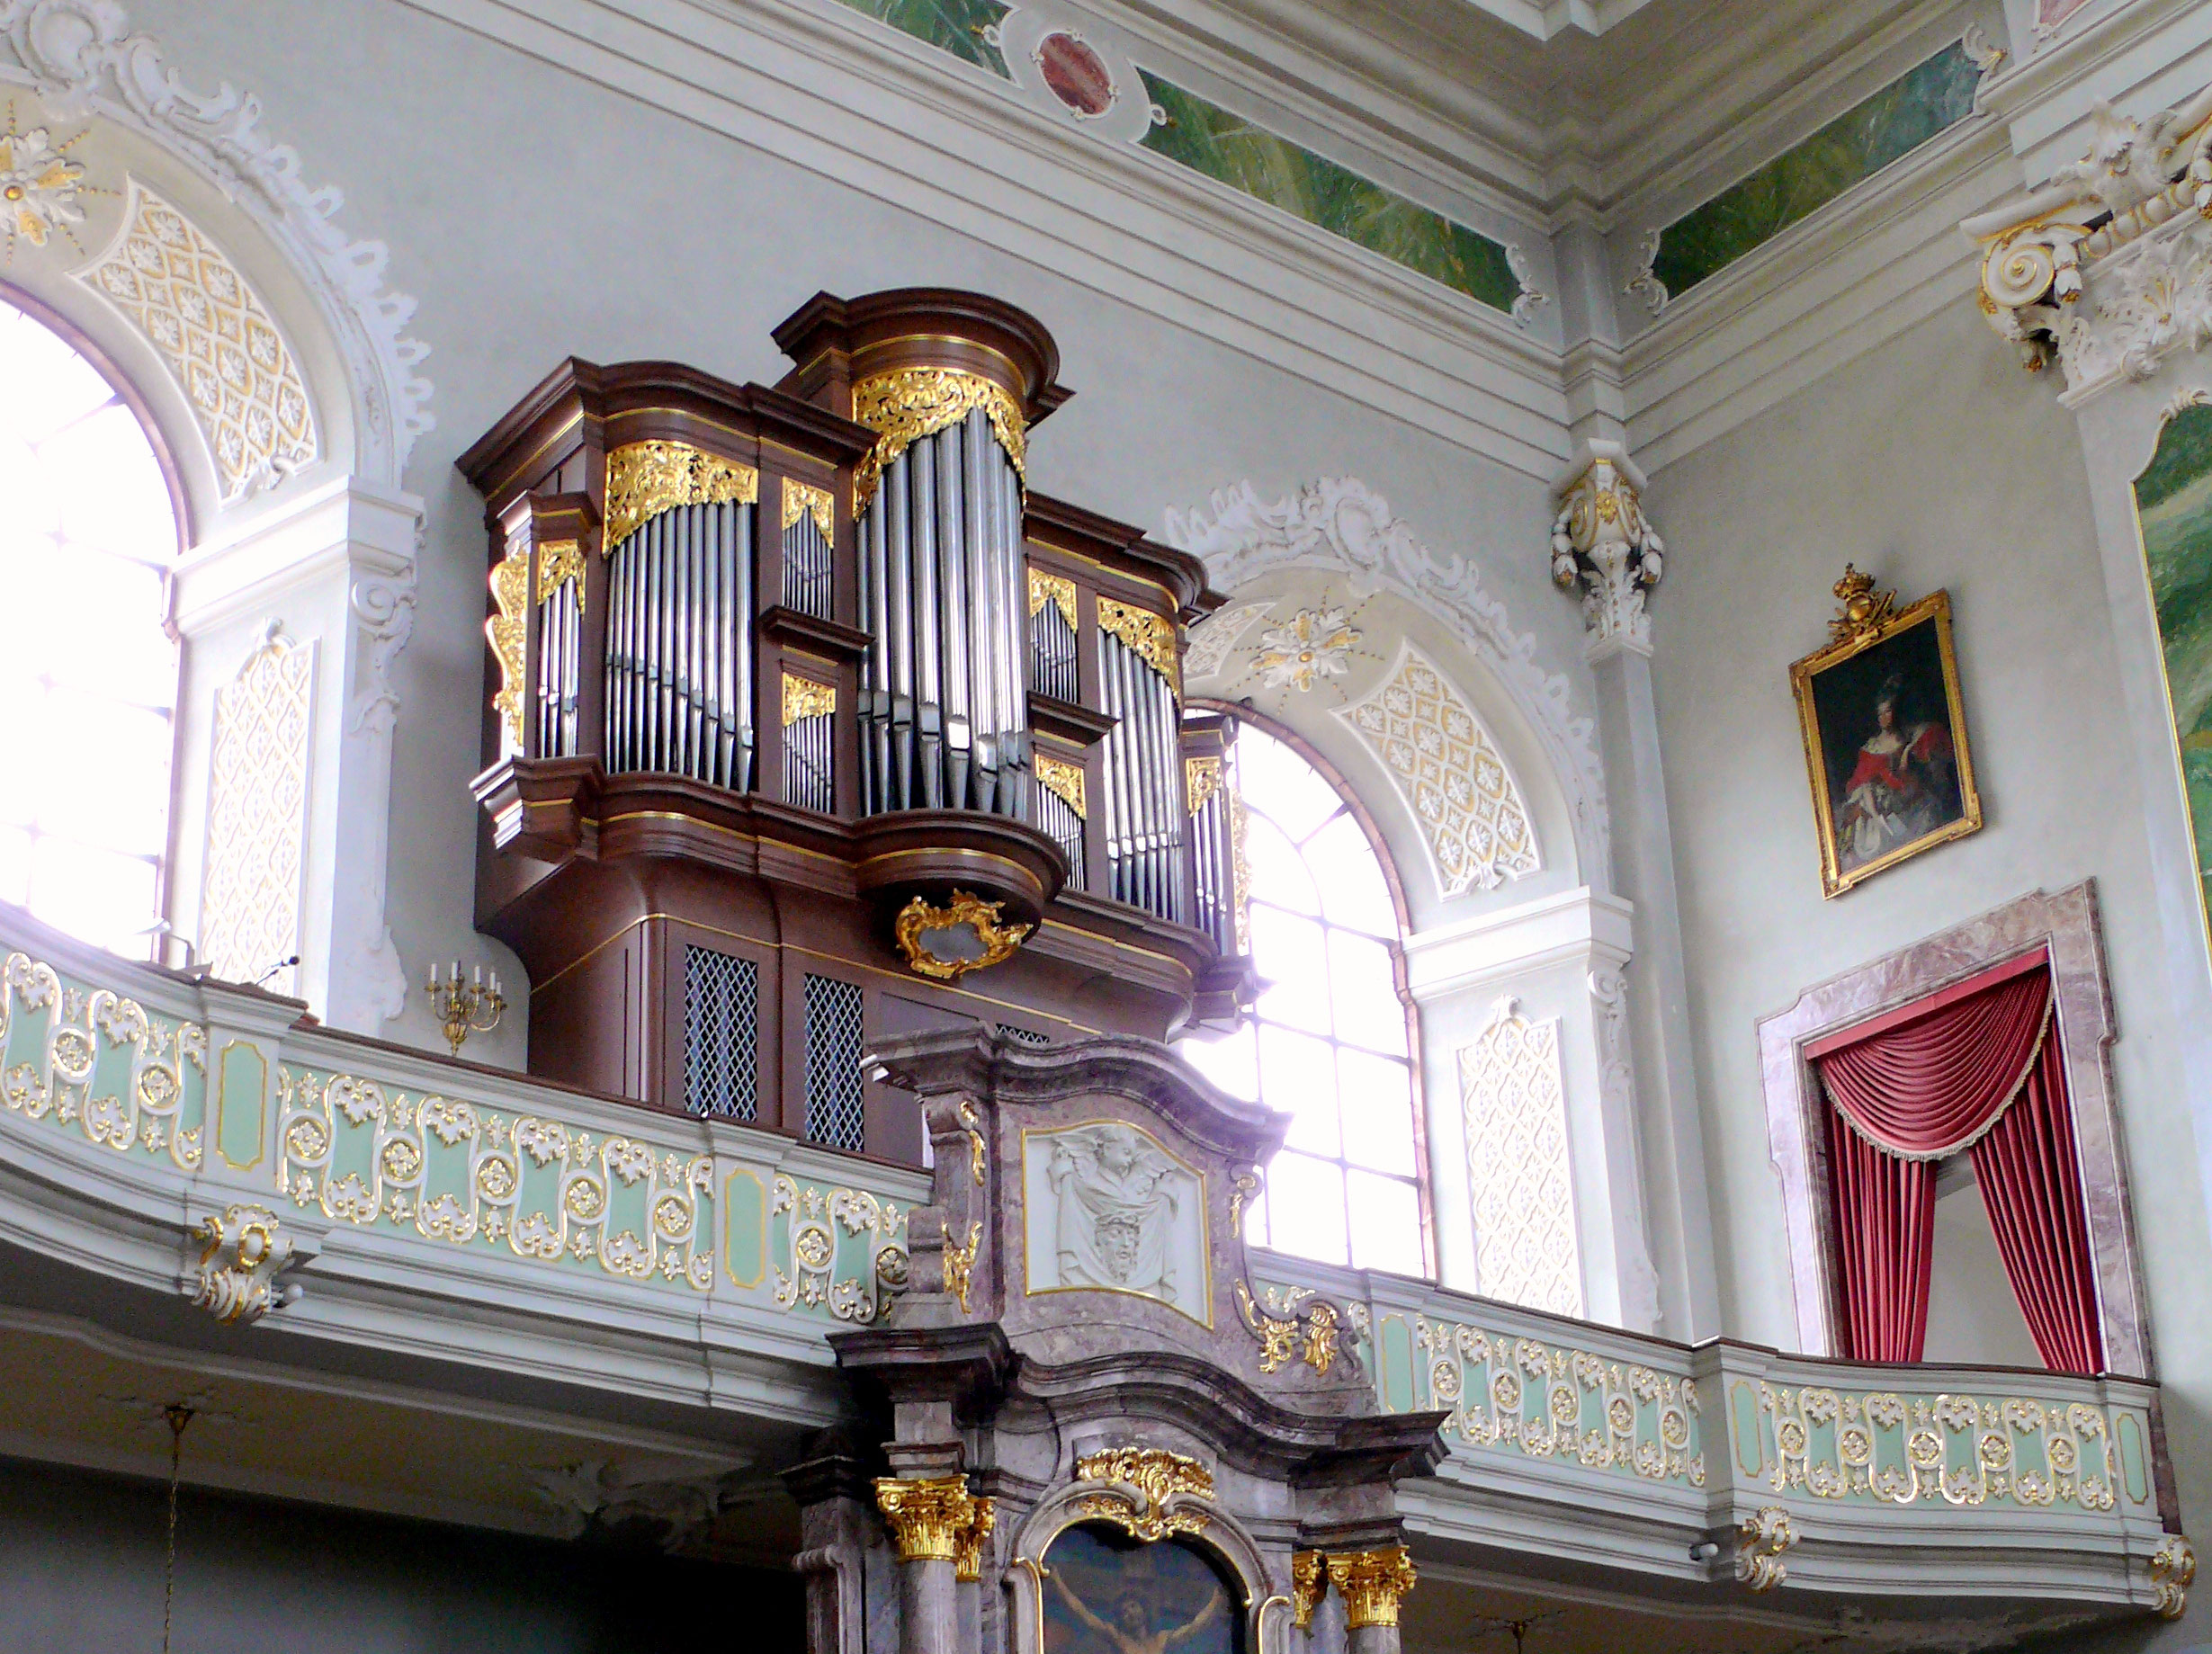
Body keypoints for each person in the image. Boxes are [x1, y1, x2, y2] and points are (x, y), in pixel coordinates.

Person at [1835, 673, 1958, 871]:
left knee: (1928, 811)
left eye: (1888, 711)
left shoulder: (1912, 737)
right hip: (1880, 808)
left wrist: (1909, 755)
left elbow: (1929, 768)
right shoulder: (1871, 748)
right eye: (1880, 713)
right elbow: (1859, 783)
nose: (1884, 718)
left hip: (1909, 801)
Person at [1049, 1567, 1226, 1654]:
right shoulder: (1117, 1637)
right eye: (1124, 1612)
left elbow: (1195, 1627)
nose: (1129, 1614)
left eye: (1133, 1606)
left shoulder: (1161, 1639)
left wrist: (1216, 1599)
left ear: (1143, 1608)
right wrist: (1057, 1580)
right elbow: (1082, 1613)